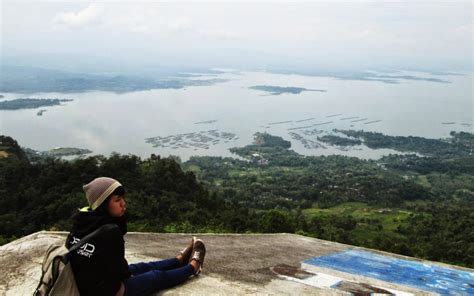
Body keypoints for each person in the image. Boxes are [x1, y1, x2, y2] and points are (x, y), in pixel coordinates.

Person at [66, 177, 206, 296]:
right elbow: (121, 274)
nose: (123, 203)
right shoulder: (109, 232)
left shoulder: (80, 222)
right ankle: (193, 267)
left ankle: (179, 260)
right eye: (117, 199)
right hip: (109, 291)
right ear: (103, 203)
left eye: (123, 198)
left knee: (142, 267)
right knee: (156, 277)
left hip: (89, 285)